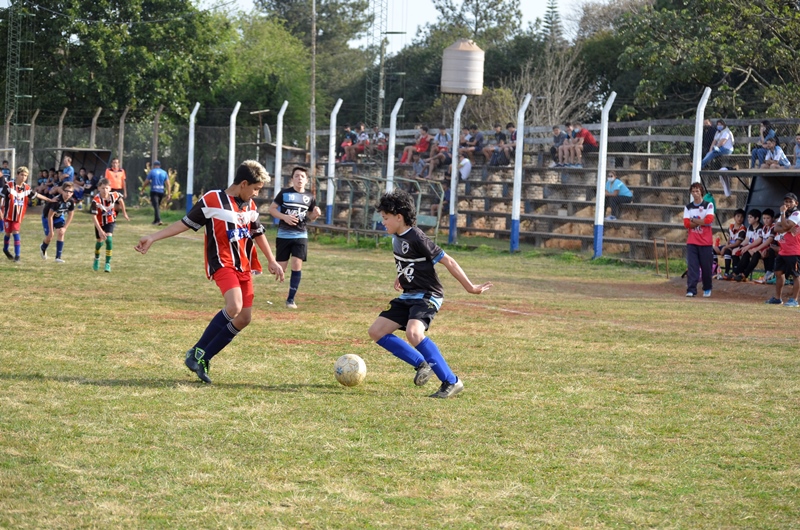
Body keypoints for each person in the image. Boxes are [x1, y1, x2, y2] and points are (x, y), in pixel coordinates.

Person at [135, 160, 285, 383]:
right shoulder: (212, 199)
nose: (256, 194)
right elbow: (185, 223)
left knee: (244, 318)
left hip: (243, 266)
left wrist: (271, 260)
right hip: (222, 263)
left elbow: (258, 232)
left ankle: (203, 358)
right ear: (243, 183)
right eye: (255, 189)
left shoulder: (250, 206)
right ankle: (197, 350)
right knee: (234, 306)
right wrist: (153, 237)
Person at [367, 189, 492, 398]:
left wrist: (470, 287)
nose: (383, 223)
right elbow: (409, 261)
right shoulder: (395, 237)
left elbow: (448, 261)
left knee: (414, 333)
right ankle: (421, 363)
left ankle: (451, 381)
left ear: (399, 217)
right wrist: (402, 276)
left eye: (386, 218)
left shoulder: (417, 237)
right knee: (376, 331)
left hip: (427, 294)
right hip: (409, 295)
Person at [268, 166, 320, 310]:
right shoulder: (284, 193)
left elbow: (310, 217)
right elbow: (271, 209)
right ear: (292, 179)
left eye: (302, 176)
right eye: (296, 176)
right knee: (279, 269)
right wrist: (284, 217)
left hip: (300, 235)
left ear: (307, 180)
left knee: (297, 264)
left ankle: (290, 299)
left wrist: (315, 214)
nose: (299, 179)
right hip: (283, 235)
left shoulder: (310, 197)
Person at [1, 166, 53, 262]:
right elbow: (1, 196)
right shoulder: (8, 186)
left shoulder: (27, 188)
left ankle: (17, 256)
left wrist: (49, 200)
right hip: (8, 215)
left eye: (25, 176)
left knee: (16, 233)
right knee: (7, 233)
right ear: (17, 175)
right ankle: (5, 249)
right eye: (22, 175)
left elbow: (37, 195)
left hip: (18, 216)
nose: (23, 177)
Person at [765, 193, 800, 306]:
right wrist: (788, 228)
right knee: (779, 273)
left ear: (796, 203)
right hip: (783, 250)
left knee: (796, 275)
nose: (788, 204)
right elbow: (776, 228)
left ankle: (794, 300)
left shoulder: (797, 213)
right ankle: (777, 298)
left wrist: (784, 222)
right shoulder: (784, 214)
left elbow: (783, 226)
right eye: (786, 201)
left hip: (794, 250)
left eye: (790, 201)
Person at [90, 178, 130, 272]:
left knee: (109, 240)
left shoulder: (114, 195)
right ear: (99, 188)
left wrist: (124, 213)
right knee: (99, 242)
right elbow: (94, 217)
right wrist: (100, 230)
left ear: (110, 188)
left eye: (107, 188)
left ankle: (107, 264)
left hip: (110, 220)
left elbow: (121, 201)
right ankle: (96, 258)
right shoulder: (96, 200)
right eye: (103, 188)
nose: (105, 190)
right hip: (99, 223)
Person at [683, 182, 715, 297]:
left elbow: (708, 221)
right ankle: (691, 289)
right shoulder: (688, 207)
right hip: (692, 242)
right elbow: (686, 224)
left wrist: (694, 220)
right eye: (693, 191)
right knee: (692, 267)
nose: (695, 193)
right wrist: (699, 222)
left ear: (701, 192)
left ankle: (707, 287)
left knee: (706, 267)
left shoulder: (709, 205)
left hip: (706, 242)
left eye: (697, 191)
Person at [733, 208, 775, 282]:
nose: (766, 220)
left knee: (756, 254)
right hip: (763, 247)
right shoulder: (764, 227)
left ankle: (744, 274)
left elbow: (769, 240)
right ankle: (737, 273)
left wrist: (757, 249)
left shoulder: (773, 227)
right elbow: (760, 239)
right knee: (746, 253)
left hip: (771, 248)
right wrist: (742, 247)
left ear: (772, 218)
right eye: (764, 218)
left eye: (768, 218)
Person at [39, 181, 75, 263]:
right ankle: (43, 247)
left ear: (72, 193)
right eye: (66, 191)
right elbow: (50, 216)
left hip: (59, 216)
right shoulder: (57, 201)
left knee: (61, 232)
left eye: (70, 192)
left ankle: (58, 257)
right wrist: (51, 231)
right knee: (50, 236)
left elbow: (70, 215)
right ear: (62, 191)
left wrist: (65, 228)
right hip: (47, 217)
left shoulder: (71, 202)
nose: (68, 194)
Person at [716, 208, 746, 278]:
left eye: (742, 217)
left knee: (727, 251)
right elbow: (729, 238)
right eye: (738, 216)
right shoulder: (731, 226)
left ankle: (726, 272)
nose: (739, 218)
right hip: (729, 245)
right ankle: (714, 269)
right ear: (734, 217)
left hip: (736, 247)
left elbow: (737, 243)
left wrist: (725, 247)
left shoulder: (742, 229)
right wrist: (726, 245)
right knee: (713, 249)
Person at [141, 160, 171, 225]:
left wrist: (142, 189)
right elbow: (168, 184)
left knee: (156, 206)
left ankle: (159, 220)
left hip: (154, 191)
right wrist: (169, 194)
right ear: (160, 166)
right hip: (161, 192)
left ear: (154, 166)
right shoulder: (164, 172)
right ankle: (155, 220)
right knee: (157, 206)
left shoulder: (152, 172)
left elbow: (146, 182)